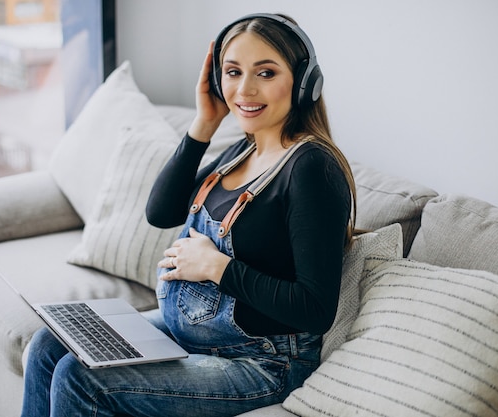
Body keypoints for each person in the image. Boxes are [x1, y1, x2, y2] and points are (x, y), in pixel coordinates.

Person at [20, 13, 357, 417]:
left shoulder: (311, 168)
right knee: (49, 344)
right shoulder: (243, 150)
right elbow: (160, 211)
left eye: (265, 73)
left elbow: (315, 309)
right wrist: (204, 123)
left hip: (262, 362)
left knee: (81, 376)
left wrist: (216, 267)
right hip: (198, 338)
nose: (244, 89)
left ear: (304, 83)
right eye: (232, 72)